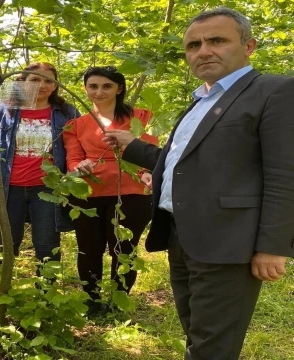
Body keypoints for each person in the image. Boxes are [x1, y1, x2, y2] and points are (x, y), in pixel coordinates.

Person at [103, 7, 294, 359]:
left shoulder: (276, 91)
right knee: (197, 331)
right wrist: (135, 148)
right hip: (181, 235)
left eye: (216, 40)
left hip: (230, 240)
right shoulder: (200, 101)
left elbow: (286, 174)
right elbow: (183, 162)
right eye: (193, 45)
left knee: (212, 345)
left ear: (249, 45)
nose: (203, 51)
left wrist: (273, 246)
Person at [63, 66, 157, 307]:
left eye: (107, 86)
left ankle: (119, 302)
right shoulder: (75, 125)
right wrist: (79, 165)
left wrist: (147, 174)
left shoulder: (141, 117)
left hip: (132, 192)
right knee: (88, 249)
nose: (99, 91)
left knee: (124, 248)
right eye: (93, 86)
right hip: (88, 193)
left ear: (119, 88)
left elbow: (150, 155)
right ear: (85, 89)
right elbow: (72, 159)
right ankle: (90, 300)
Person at [0, 62, 81, 270]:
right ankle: (4, 293)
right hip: (9, 187)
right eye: (35, 79)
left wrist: (71, 177)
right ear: (22, 82)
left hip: (48, 188)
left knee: (46, 244)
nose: (41, 85)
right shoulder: (4, 111)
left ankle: (46, 294)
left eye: (48, 80)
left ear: (55, 86)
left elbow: (77, 147)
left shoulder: (66, 112)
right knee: (6, 243)